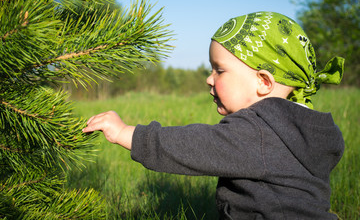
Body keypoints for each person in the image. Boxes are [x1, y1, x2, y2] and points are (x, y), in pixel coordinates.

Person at [83, 11, 345, 219]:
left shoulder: (259, 131)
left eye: (220, 70)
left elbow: (192, 146)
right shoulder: (302, 127)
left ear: (263, 82)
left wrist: (124, 132)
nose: (209, 79)